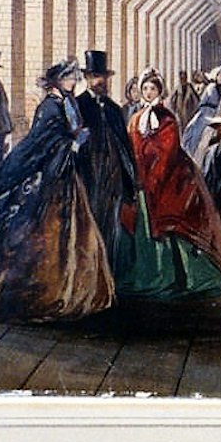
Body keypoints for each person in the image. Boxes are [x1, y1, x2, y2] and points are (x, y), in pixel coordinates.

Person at [0, 60, 115, 322]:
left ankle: (75, 289)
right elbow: (41, 142)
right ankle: (43, 292)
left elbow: (69, 131)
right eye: (69, 77)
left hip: (67, 174)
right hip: (51, 176)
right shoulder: (49, 106)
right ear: (57, 80)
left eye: (74, 77)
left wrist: (78, 138)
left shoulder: (67, 102)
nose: (74, 81)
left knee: (75, 234)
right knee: (39, 232)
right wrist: (70, 144)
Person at [118, 71, 221, 301]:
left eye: (153, 89)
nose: (149, 92)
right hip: (142, 181)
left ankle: (174, 276)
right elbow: (131, 146)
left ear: (160, 91)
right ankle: (145, 273)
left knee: (168, 222)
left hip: (167, 178)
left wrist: (151, 170)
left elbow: (168, 151)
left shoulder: (168, 118)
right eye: (146, 89)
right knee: (141, 225)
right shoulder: (135, 118)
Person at [75, 49, 139, 277]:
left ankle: (108, 277)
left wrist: (130, 180)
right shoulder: (78, 105)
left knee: (111, 228)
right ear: (87, 78)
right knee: (87, 226)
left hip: (112, 179)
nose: (99, 81)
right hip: (88, 178)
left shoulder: (113, 109)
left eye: (102, 77)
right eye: (94, 76)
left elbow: (125, 146)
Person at [182, 66, 221, 158]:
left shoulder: (219, 88)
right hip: (206, 113)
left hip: (212, 113)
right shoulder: (211, 87)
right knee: (199, 136)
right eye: (220, 75)